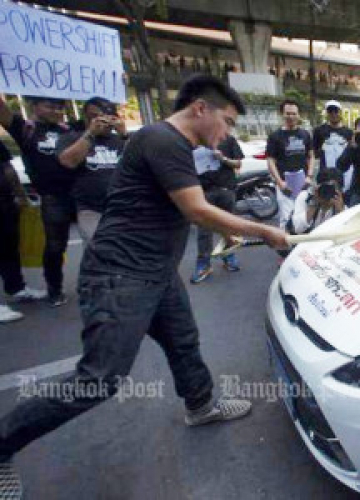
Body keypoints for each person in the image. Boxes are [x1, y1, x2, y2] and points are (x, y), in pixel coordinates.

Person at [0, 75, 289, 498]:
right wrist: (264, 232)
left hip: (156, 272)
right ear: (200, 109)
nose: (227, 133)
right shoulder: (162, 139)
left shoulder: (171, 144)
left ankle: (201, 405)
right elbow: (196, 209)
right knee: (98, 379)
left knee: (183, 342)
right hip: (121, 275)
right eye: (226, 121)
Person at [0, 96, 75, 307]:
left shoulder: (69, 129)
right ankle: (55, 289)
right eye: (50, 106)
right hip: (53, 197)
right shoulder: (26, 129)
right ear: (35, 107)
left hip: (81, 194)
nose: (56, 110)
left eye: (60, 106)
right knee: (54, 246)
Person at [57, 97, 128, 245]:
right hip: (91, 208)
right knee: (99, 248)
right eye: (94, 116)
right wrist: (90, 133)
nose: (101, 121)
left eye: (106, 116)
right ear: (86, 117)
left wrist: (124, 134)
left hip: (123, 207)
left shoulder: (121, 140)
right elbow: (68, 162)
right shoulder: (72, 138)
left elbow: (142, 163)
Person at [0, 141, 46, 323]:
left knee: (8, 247)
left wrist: (20, 195)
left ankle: (17, 288)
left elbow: (7, 167)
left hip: (4, 202)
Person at [190, 134, 245, 283]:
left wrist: (223, 158)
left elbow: (238, 164)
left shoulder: (228, 139)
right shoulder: (193, 140)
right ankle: (203, 263)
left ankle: (229, 256)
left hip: (226, 189)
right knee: (204, 229)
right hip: (203, 191)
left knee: (228, 225)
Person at [266, 100, 314, 229]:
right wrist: (279, 182)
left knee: (304, 216)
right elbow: (270, 161)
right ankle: (285, 247)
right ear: (282, 114)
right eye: (288, 113)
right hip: (285, 184)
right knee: (286, 218)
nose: (291, 116)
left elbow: (310, 156)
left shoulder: (305, 134)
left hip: (303, 182)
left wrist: (309, 176)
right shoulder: (275, 136)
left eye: (294, 113)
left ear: (299, 115)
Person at [289, 168, 345, 235]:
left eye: (332, 189)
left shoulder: (342, 204)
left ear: (340, 191)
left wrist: (341, 212)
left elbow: (346, 234)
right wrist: (314, 203)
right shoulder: (305, 197)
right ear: (317, 187)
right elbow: (297, 229)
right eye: (325, 188)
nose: (328, 192)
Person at [312, 100, 353, 171]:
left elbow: (351, 153)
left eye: (336, 111)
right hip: (325, 173)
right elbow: (314, 152)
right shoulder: (318, 130)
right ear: (327, 113)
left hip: (344, 173)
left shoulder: (349, 132)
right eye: (330, 111)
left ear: (340, 112)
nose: (333, 114)